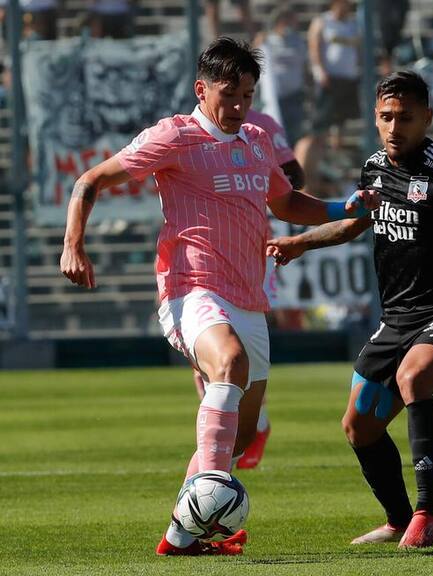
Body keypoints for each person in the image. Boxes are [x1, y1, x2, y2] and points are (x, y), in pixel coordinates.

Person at [60, 37, 379, 557]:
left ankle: (180, 537)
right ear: (201, 89)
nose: (238, 106)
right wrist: (73, 245)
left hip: (248, 297)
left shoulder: (256, 140)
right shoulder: (175, 136)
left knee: (242, 434)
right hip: (190, 289)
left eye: (247, 95)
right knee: (228, 362)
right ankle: (211, 492)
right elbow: (90, 181)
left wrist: (343, 207)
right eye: (229, 94)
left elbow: (286, 202)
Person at [267, 71, 433, 548]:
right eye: (386, 117)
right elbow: (356, 223)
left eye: (405, 118)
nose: (394, 127)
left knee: (414, 378)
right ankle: (399, 519)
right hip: (395, 319)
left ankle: (429, 515)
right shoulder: (374, 167)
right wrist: (300, 243)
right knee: (358, 426)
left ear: (427, 118)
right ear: (375, 117)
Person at [190, 108, 305, 471]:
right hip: (201, 257)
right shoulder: (185, 129)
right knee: (209, 355)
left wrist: (259, 185)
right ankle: (221, 448)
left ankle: (254, 423)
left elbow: (295, 175)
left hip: (251, 246)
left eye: (245, 91)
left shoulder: (262, 127)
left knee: (237, 349)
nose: (237, 101)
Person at [308, 0, 361, 144]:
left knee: (341, 120)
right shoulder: (322, 21)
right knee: (323, 119)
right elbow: (314, 47)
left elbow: (358, 48)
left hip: (348, 77)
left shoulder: (353, 23)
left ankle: (337, 146)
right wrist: (319, 71)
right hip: (329, 78)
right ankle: (320, 149)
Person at [254, 6, 307, 147]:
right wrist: (258, 43)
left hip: (293, 97)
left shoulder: (299, 42)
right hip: (274, 99)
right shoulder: (267, 41)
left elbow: (304, 65)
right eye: (286, 21)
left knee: (294, 134)